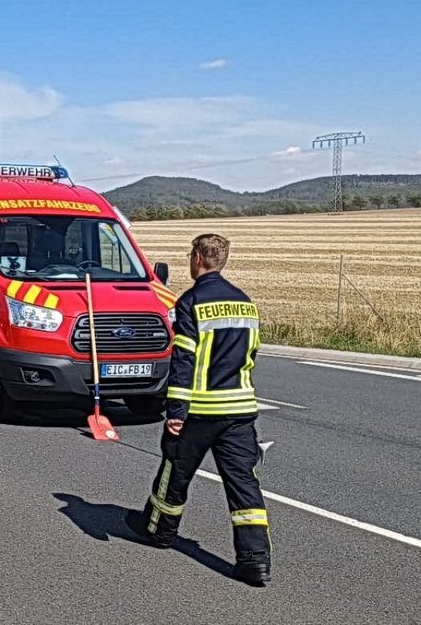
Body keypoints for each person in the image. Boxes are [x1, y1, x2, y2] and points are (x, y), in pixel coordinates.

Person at [127, 233, 271, 585]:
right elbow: (250, 355)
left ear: (197, 258)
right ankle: (255, 561)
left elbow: (184, 360)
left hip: (199, 411)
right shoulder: (245, 303)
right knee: (244, 486)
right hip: (239, 410)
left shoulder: (191, 302)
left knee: (174, 472)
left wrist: (176, 410)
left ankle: (160, 531)